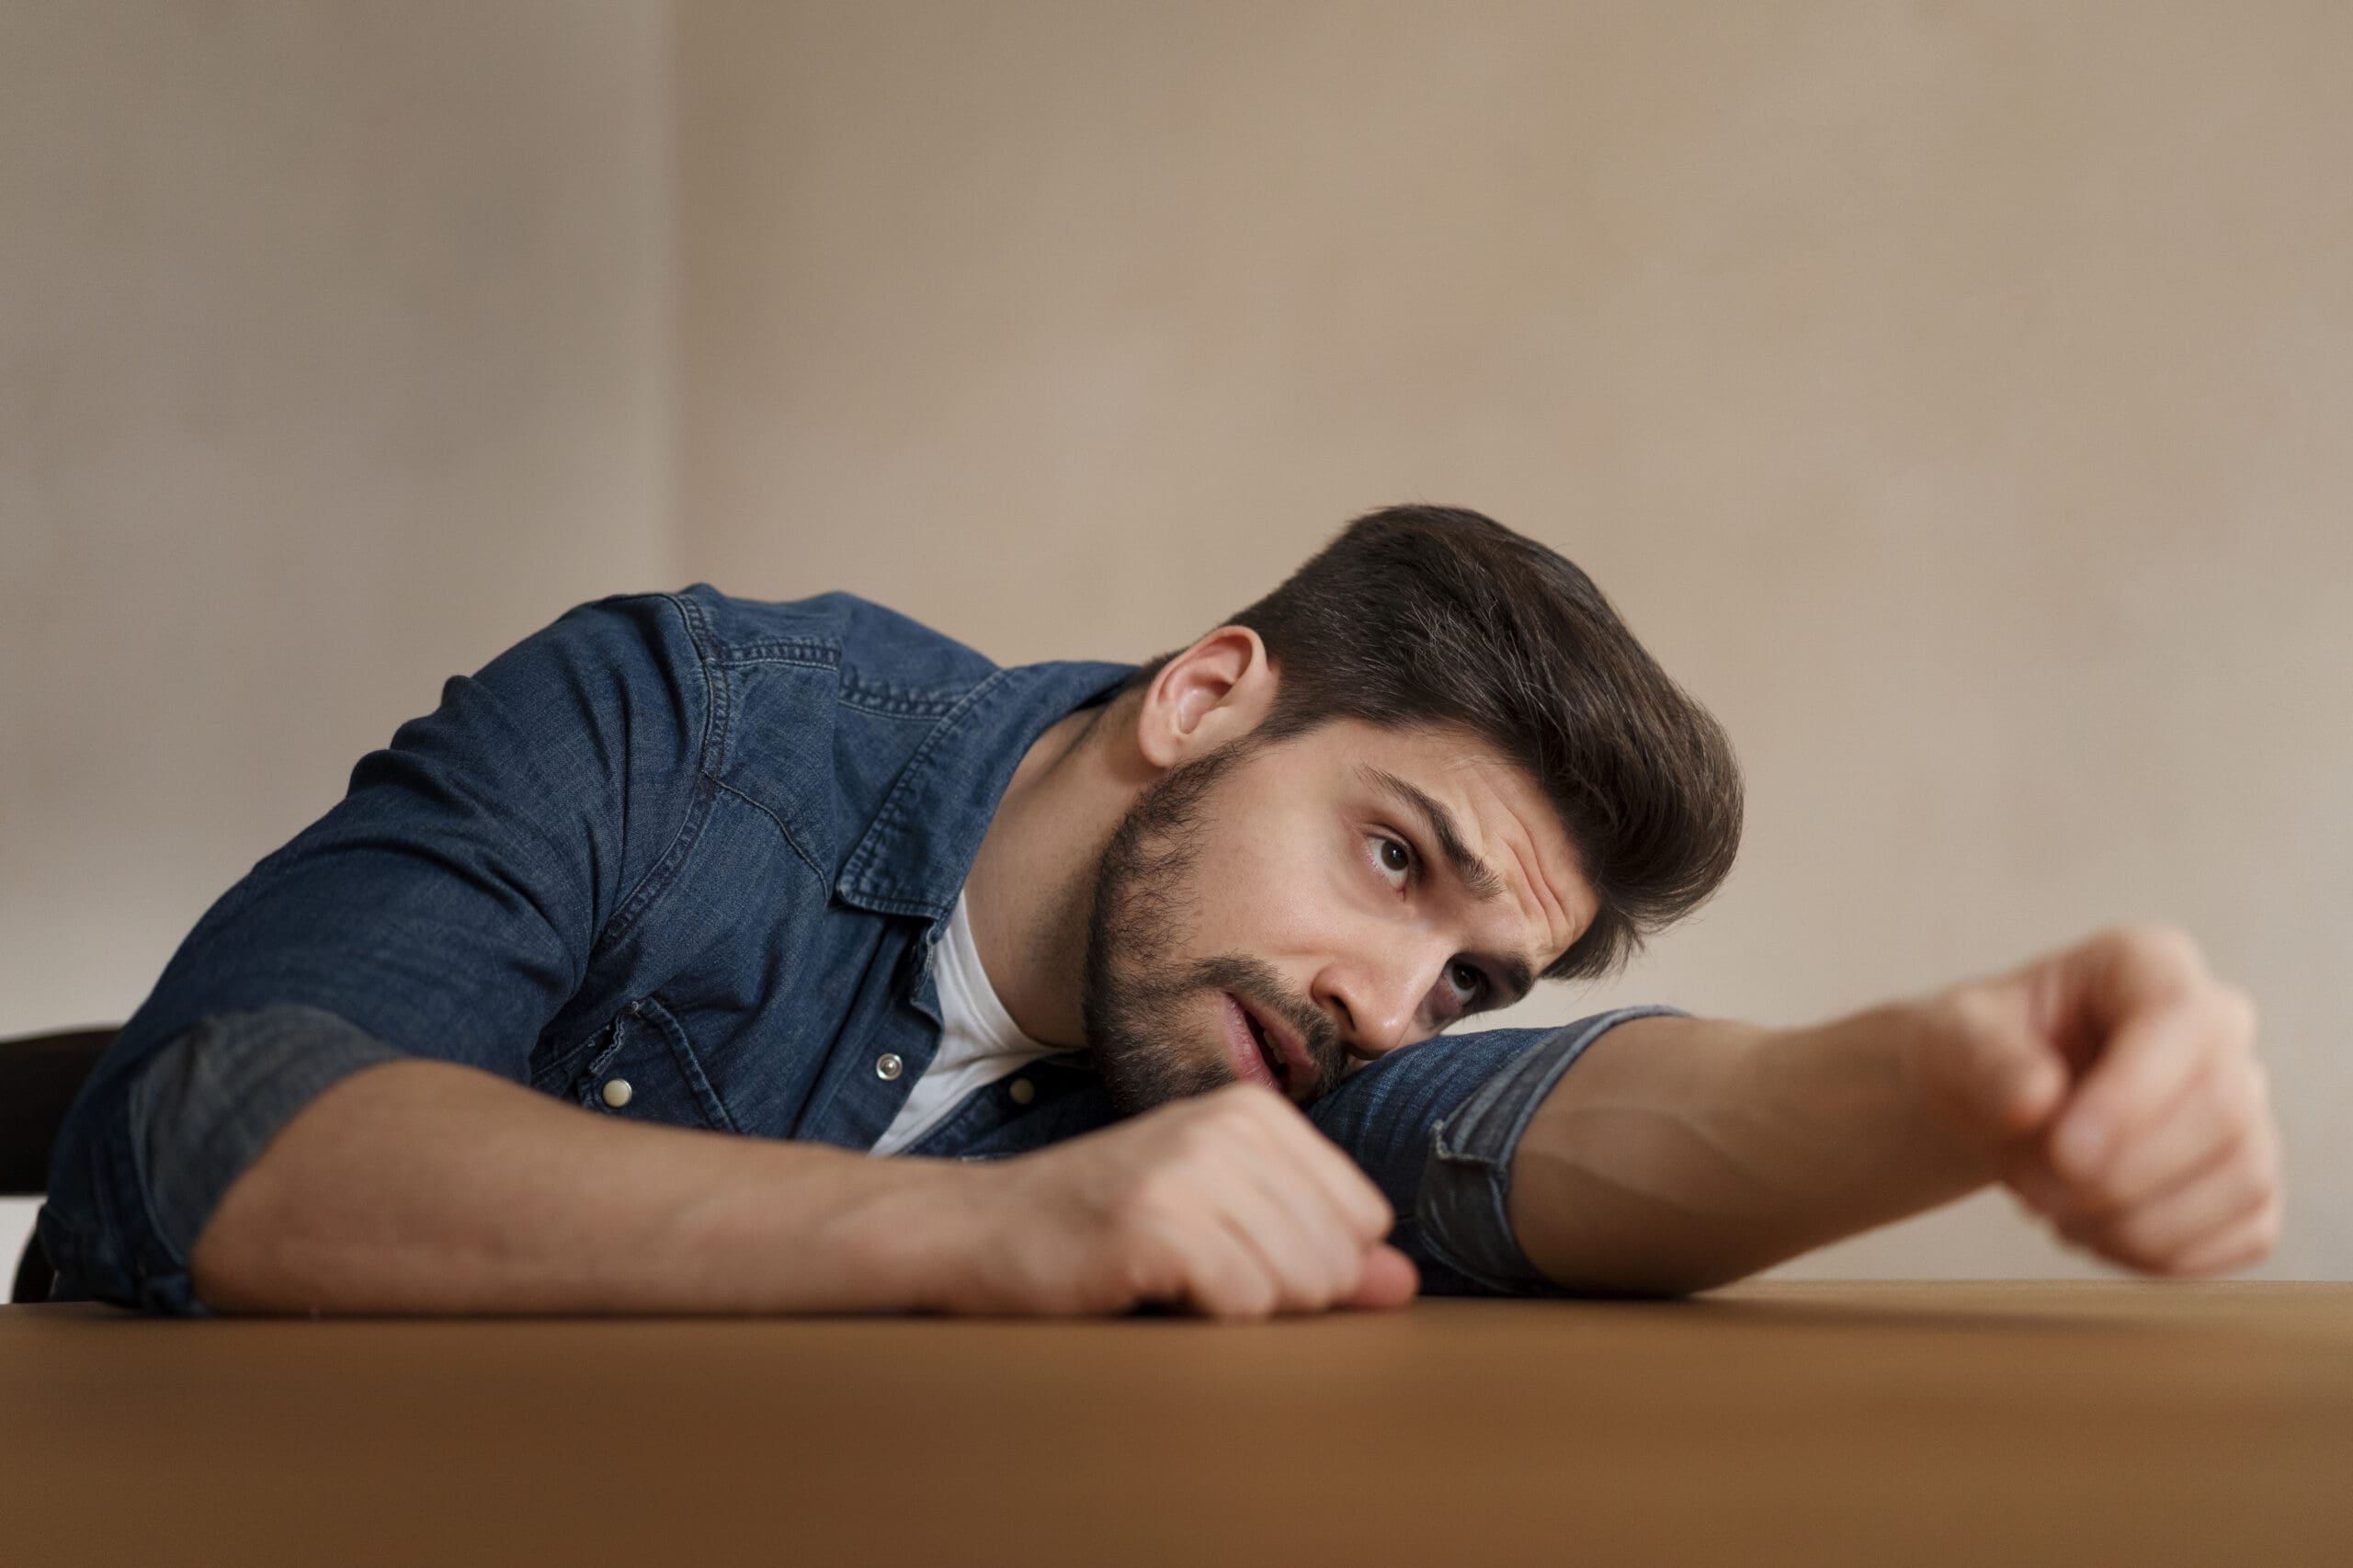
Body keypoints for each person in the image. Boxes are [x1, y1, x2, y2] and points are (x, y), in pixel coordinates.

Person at [39, 506, 2281, 1317]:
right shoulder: (683, 720)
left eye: (1462, 971)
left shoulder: (1288, 1057)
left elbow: (1547, 1140)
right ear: (1208, 695)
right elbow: (211, 1131)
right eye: (1393, 859)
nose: (1383, 1000)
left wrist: (1948, 1080)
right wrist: (986, 1234)